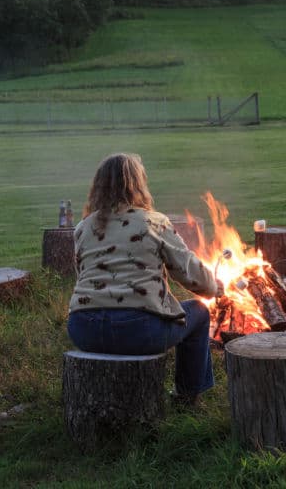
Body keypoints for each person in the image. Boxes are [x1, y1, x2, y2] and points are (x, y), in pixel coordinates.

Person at [67, 153, 222, 406]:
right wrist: (213, 287)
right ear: (138, 184)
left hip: (84, 328)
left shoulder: (83, 228)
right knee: (200, 312)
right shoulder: (153, 222)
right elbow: (188, 271)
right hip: (138, 330)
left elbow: (83, 276)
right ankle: (188, 396)